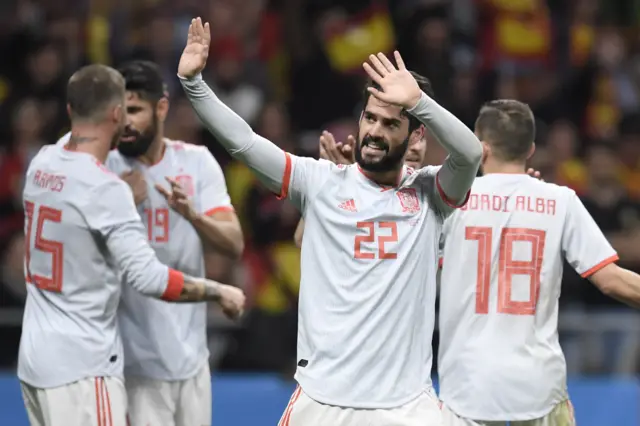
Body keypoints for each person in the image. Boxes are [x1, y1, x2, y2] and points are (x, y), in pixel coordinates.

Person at [178, 17, 482, 425]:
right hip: (323, 402)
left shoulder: (431, 195)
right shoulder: (320, 182)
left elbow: (469, 155)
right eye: (370, 118)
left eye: (391, 123)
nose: (374, 131)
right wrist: (195, 85)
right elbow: (245, 142)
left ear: (416, 137)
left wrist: (419, 102)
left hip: (407, 405)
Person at [18, 64, 245, 426]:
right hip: (103, 362)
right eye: (126, 110)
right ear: (116, 113)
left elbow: (234, 242)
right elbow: (150, 278)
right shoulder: (106, 181)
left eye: (138, 109)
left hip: (178, 359)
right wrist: (218, 291)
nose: (129, 123)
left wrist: (193, 215)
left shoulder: (44, 162)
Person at [437, 100, 640, 426]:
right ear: (530, 149)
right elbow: (611, 280)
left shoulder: (449, 199)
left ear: (479, 145)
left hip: (466, 385)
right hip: (537, 387)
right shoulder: (560, 199)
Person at [294, 122, 429, 248]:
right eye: (407, 137)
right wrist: (336, 183)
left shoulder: (436, 198)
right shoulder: (359, 189)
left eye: (420, 137)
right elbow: (303, 240)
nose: (415, 147)